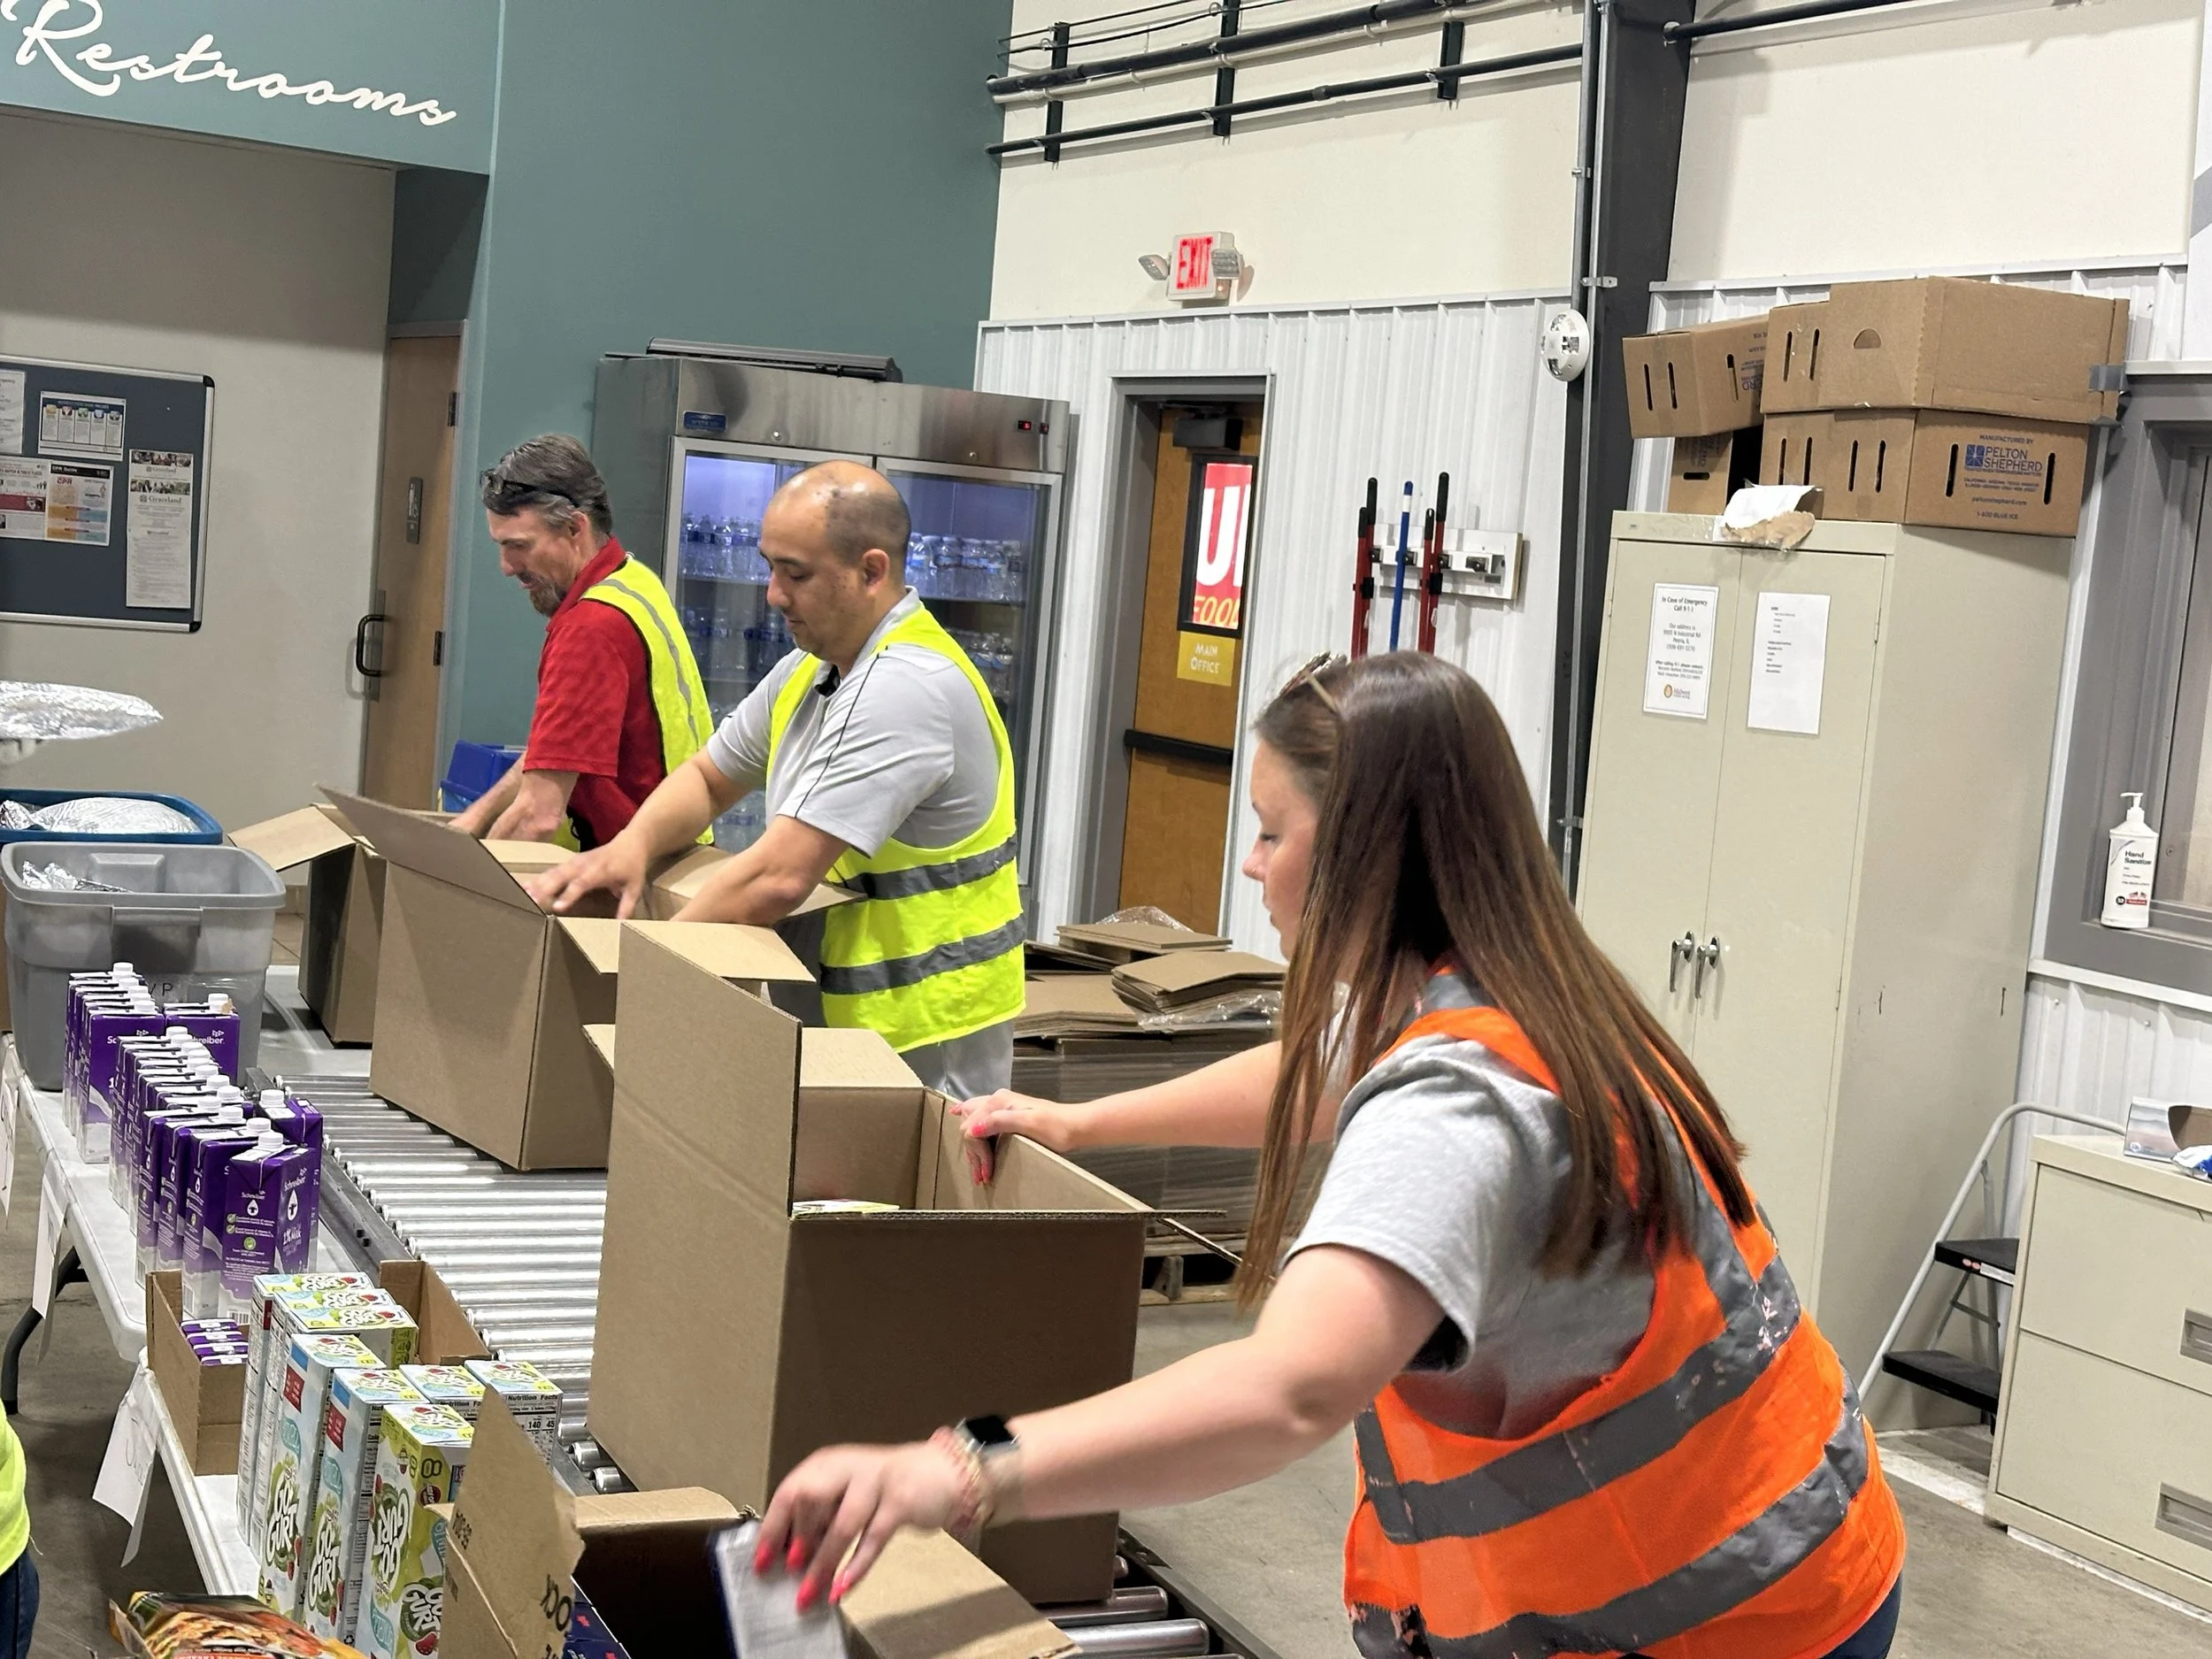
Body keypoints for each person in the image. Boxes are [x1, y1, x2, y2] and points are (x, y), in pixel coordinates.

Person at [751, 651, 1907, 1659]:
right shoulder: (1525, 986)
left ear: (1366, 850)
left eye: (1271, 831)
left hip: (1713, 1613)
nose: (1251, 866)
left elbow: (1290, 1386)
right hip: (1803, 1537)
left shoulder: (1458, 1102)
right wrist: (1080, 1123)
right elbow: (1318, 1070)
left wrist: (965, 1468)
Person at [528, 461, 1023, 1099]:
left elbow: (779, 877)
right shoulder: (810, 671)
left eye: (797, 573)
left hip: (924, 1046)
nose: (773, 594)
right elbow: (710, 778)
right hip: (846, 1032)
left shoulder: (905, 688)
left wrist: (644, 969)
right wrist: (632, 846)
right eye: (769, 567)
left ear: (872, 571)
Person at [449, 435, 714, 849]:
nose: (506, 567)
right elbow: (552, 754)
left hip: (630, 866)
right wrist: (472, 822)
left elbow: (537, 816)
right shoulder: (631, 580)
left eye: (519, 546)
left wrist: (461, 873)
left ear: (575, 527)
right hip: (673, 851)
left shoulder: (590, 628)